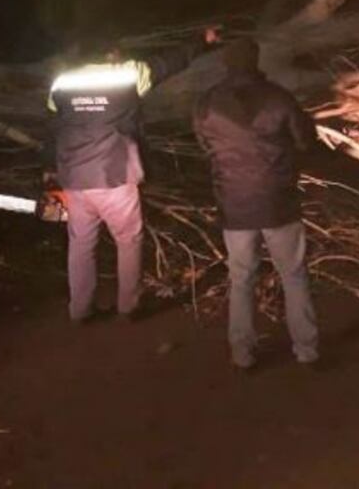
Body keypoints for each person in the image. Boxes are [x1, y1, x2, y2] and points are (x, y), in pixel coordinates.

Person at [46, 30, 217, 323]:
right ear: (111, 53)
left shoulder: (62, 82)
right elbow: (167, 64)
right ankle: (129, 307)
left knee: (81, 244)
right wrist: (203, 41)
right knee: (128, 240)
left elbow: (54, 119)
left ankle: (80, 310)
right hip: (115, 174)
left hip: (75, 176)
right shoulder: (127, 74)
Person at [194, 38, 319, 369]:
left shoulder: (207, 102)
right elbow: (305, 139)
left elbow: (204, 145)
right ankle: (307, 351)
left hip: (235, 204)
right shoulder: (279, 98)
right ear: (256, 61)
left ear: (226, 63)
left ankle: (242, 354)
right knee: (293, 275)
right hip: (279, 202)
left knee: (241, 279)